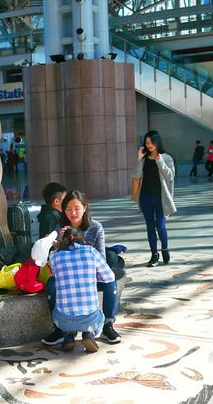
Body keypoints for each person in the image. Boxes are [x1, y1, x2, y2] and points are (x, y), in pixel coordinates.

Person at [39, 189, 121, 346]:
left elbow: (101, 258)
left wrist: (76, 245)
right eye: (68, 209)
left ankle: (107, 325)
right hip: (68, 278)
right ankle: (60, 329)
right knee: (51, 284)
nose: (73, 213)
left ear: (85, 207)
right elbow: (53, 260)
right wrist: (58, 243)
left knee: (111, 282)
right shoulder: (59, 228)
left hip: (90, 276)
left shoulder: (96, 227)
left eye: (77, 208)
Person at [46, 228, 116, 354]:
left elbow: (56, 277)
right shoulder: (91, 251)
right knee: (94, 314)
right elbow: (110, 277)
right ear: (83, 240)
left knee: (56, 291)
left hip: (62, 320)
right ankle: (89, 334)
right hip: (91, 319)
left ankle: (68, 334)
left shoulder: (54, 255)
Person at [131, 130, 176, 267]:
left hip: (160, 198)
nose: (149, 145)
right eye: (147, 142)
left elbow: (170, 176)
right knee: (150, 226)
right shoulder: (144, 159)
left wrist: (160, 161)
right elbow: (136, 175)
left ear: (157, 142)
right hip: (145, 197)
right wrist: (139, 159)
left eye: (151, 142)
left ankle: (164, 248)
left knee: (160, 225)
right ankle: (154, 255)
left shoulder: (166, 157)